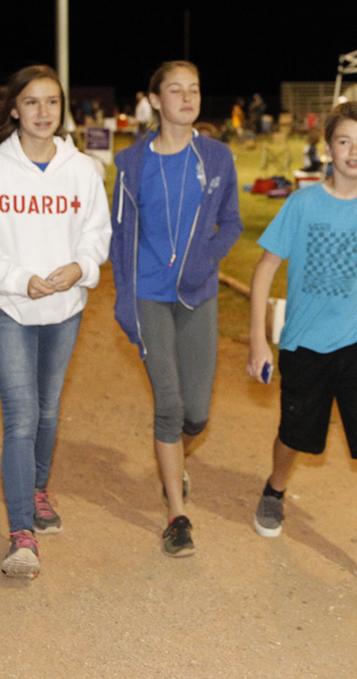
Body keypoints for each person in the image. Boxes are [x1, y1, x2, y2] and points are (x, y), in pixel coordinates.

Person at [247, 101, 357, 603]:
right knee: (296, 435)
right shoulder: (302, 204)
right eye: (345, 141)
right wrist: (259, 339)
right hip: (304, 344)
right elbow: (263, 271)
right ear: (329, 148)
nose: (354, 151)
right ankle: (275, 489)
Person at [0, 65, 111, 579]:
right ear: (15, 110)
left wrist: (81, 268)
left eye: (52, 102)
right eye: (32, 103)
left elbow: (97, 234)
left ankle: (38, 487)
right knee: (21, 417)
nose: (43, 113)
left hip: (64, 311)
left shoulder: (83, 170)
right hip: (10, 309)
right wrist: (19, 279)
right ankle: (21, 532)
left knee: (49, 411)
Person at [110, 60, 243, 558]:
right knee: (168, 404)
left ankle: (173, 462)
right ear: (156, 100)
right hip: (149, 294)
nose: (187, 98)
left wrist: (203, 261)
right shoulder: (131, 164)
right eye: (176, 90)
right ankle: (176, 514)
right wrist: (126, 299)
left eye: (194, 89)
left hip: (197, 294)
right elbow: (120, 238)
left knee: (198, 413)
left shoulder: (218, 157)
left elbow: (231, 222)